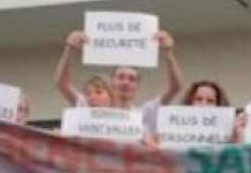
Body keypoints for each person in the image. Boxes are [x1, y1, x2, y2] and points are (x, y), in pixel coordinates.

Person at [54, 29, 184, 130]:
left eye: (132, 79)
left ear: (137, 85)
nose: (126, 82)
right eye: (121, 77)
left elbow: (175, 87)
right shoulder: (90, 107)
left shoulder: (143, 114)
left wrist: (169, 53)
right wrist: (69, 49)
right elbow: (62, 84)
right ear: (112, 82)